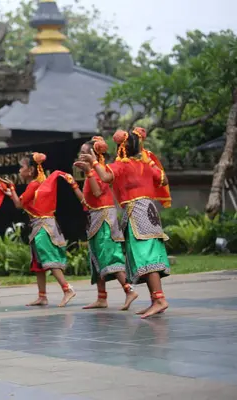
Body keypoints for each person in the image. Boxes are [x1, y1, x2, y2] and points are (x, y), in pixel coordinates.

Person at [80, 128, 170, 319]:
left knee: (146, 257)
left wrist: (93, 163)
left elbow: (105, 177)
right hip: (149, 211)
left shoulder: (123, 166)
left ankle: (160, 299)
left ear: (122, 147)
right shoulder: (145, 164)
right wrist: (151, 164)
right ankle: (155, 301)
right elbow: (163, 180)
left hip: (137, 213)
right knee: (145, 255)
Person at [73, 137, 138, 310]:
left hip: (104, 217)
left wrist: (88, 171)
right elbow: (87, 202)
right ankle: (102, 298)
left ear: (94, 154)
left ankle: (129, 290)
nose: (81, 155)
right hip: (95, 216)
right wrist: (73, 186)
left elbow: (96, 191)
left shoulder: (99, 170)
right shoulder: (92, 172)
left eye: (85, 152)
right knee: (96, 256)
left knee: (110, 254)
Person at [5, 153, 76, 307]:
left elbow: (19, 205)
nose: (19, 171)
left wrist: (11, 188)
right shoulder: (37, 184)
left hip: (43, 227)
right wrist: (12, 192)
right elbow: (21, 202)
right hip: (40, 226)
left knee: (49, 260)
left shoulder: (34, 185)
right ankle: (42, 296)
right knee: (39, 264)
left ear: (30, 170)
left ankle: (67, 289)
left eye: (21, 167)